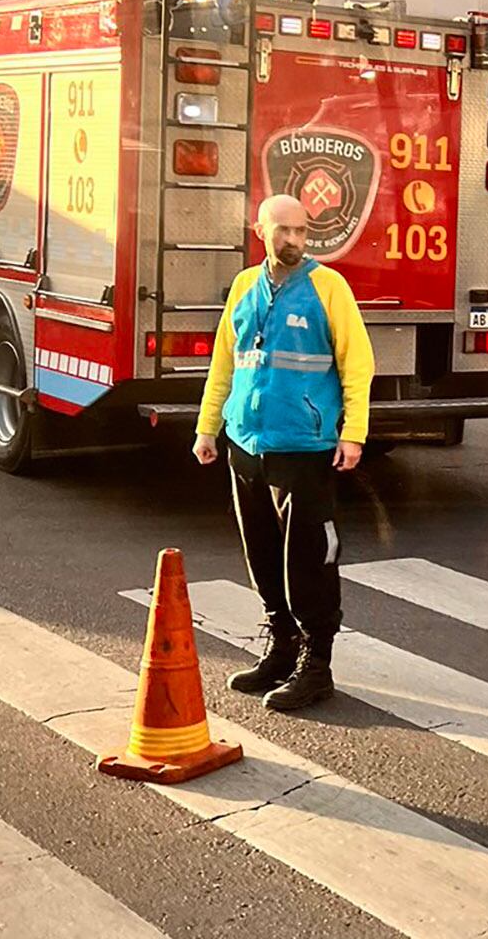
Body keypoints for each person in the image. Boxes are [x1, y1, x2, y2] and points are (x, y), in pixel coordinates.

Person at [193, 195, 374, 712]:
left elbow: (356, 365)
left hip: (305, 446)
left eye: (302, 231)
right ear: (260, 230)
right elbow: (225, 364)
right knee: (263, 557)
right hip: (246, 443)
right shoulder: (246, 287)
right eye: (284, 231)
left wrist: (353, 432)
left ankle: (317, 665)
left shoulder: (328, 287)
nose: (295, 240)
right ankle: (281, 646)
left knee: (310, 562)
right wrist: (209, 428)